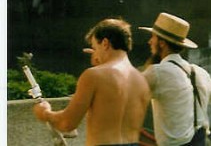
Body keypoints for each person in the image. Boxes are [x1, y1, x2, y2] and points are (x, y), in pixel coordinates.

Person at [33, 18, 151, 146]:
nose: (95, 54)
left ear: (105, 43)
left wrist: (45, 113)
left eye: (95, 47)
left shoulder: (94, 75)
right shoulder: (142, 80)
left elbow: (67, 123)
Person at [140, 12, 211, 146]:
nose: (150, 41)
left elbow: (125, 92)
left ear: (162, 43)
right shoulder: (201, 73)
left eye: (153, 37)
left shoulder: (158, 73)